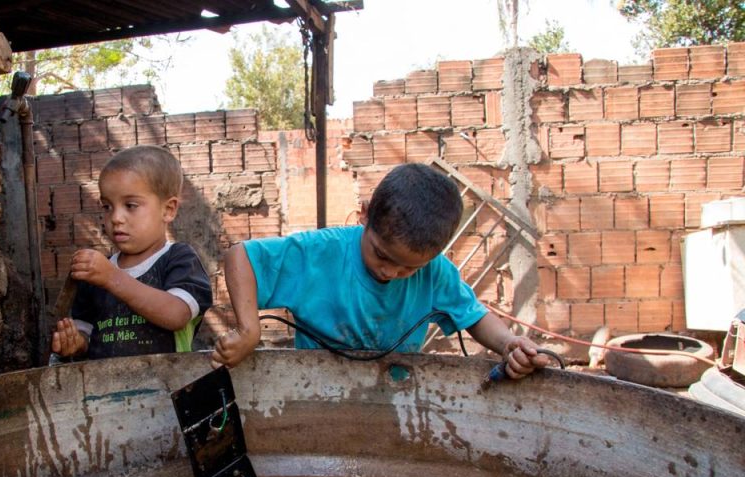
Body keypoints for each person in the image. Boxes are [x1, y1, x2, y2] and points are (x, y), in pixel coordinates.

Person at [210, 162, 548, 378]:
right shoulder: (321, 253)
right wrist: (247, 330)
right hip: (314, 395)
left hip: (391, 399)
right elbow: (241, 257)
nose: (391, 272)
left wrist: (507, 343)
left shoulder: (435, 272)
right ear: (365, 216)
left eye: (408, 268)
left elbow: (472, 315)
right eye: (382, 256)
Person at [50, 145, 212, 362]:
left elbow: (177, 315)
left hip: (166, 387)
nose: (116, 217)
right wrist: (75, 343)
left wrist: (112, 278)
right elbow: (86, 335)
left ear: (168, 210)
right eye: (107, 206)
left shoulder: (179, 259)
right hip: (105, 390)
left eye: (131, 205)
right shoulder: (96, 275)